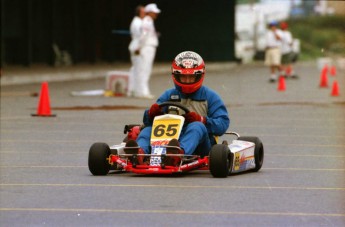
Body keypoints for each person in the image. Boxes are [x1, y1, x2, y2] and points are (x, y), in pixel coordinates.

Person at [125, 51, 230, 163]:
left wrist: (202, 120)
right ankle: (139, 154)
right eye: (183, 77)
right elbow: (149, 121)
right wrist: (151, 114)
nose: (188, 81)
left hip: (201, 146)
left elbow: (223, 124)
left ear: (200, 75)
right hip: (169, 141)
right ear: (176, 75)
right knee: (148, 130)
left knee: (197, 126)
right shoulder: (168, 95)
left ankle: (177, 154)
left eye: (191, 77)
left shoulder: (210, 97)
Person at [135, 3, 161, 99]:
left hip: (147, 46)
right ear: (149, 12)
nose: (156, 14)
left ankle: (141, 91)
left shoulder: (148, 20)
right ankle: (143, 91)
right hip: (147, 47)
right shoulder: (148, 20)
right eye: (154, 12)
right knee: (145, 69)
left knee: (145, 69)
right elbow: (143, 35)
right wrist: (139, 47)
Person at [127, 5, 146, 97]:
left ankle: (132, 90)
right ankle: (140, 92)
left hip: (136, 46)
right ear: (139, 13)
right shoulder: (138, 23)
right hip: (137, 47)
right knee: (139, 69)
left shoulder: (137, 22)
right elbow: (140, 36)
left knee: (135, 69)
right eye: (143, 12)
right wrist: (139, 47)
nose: (145, 14)